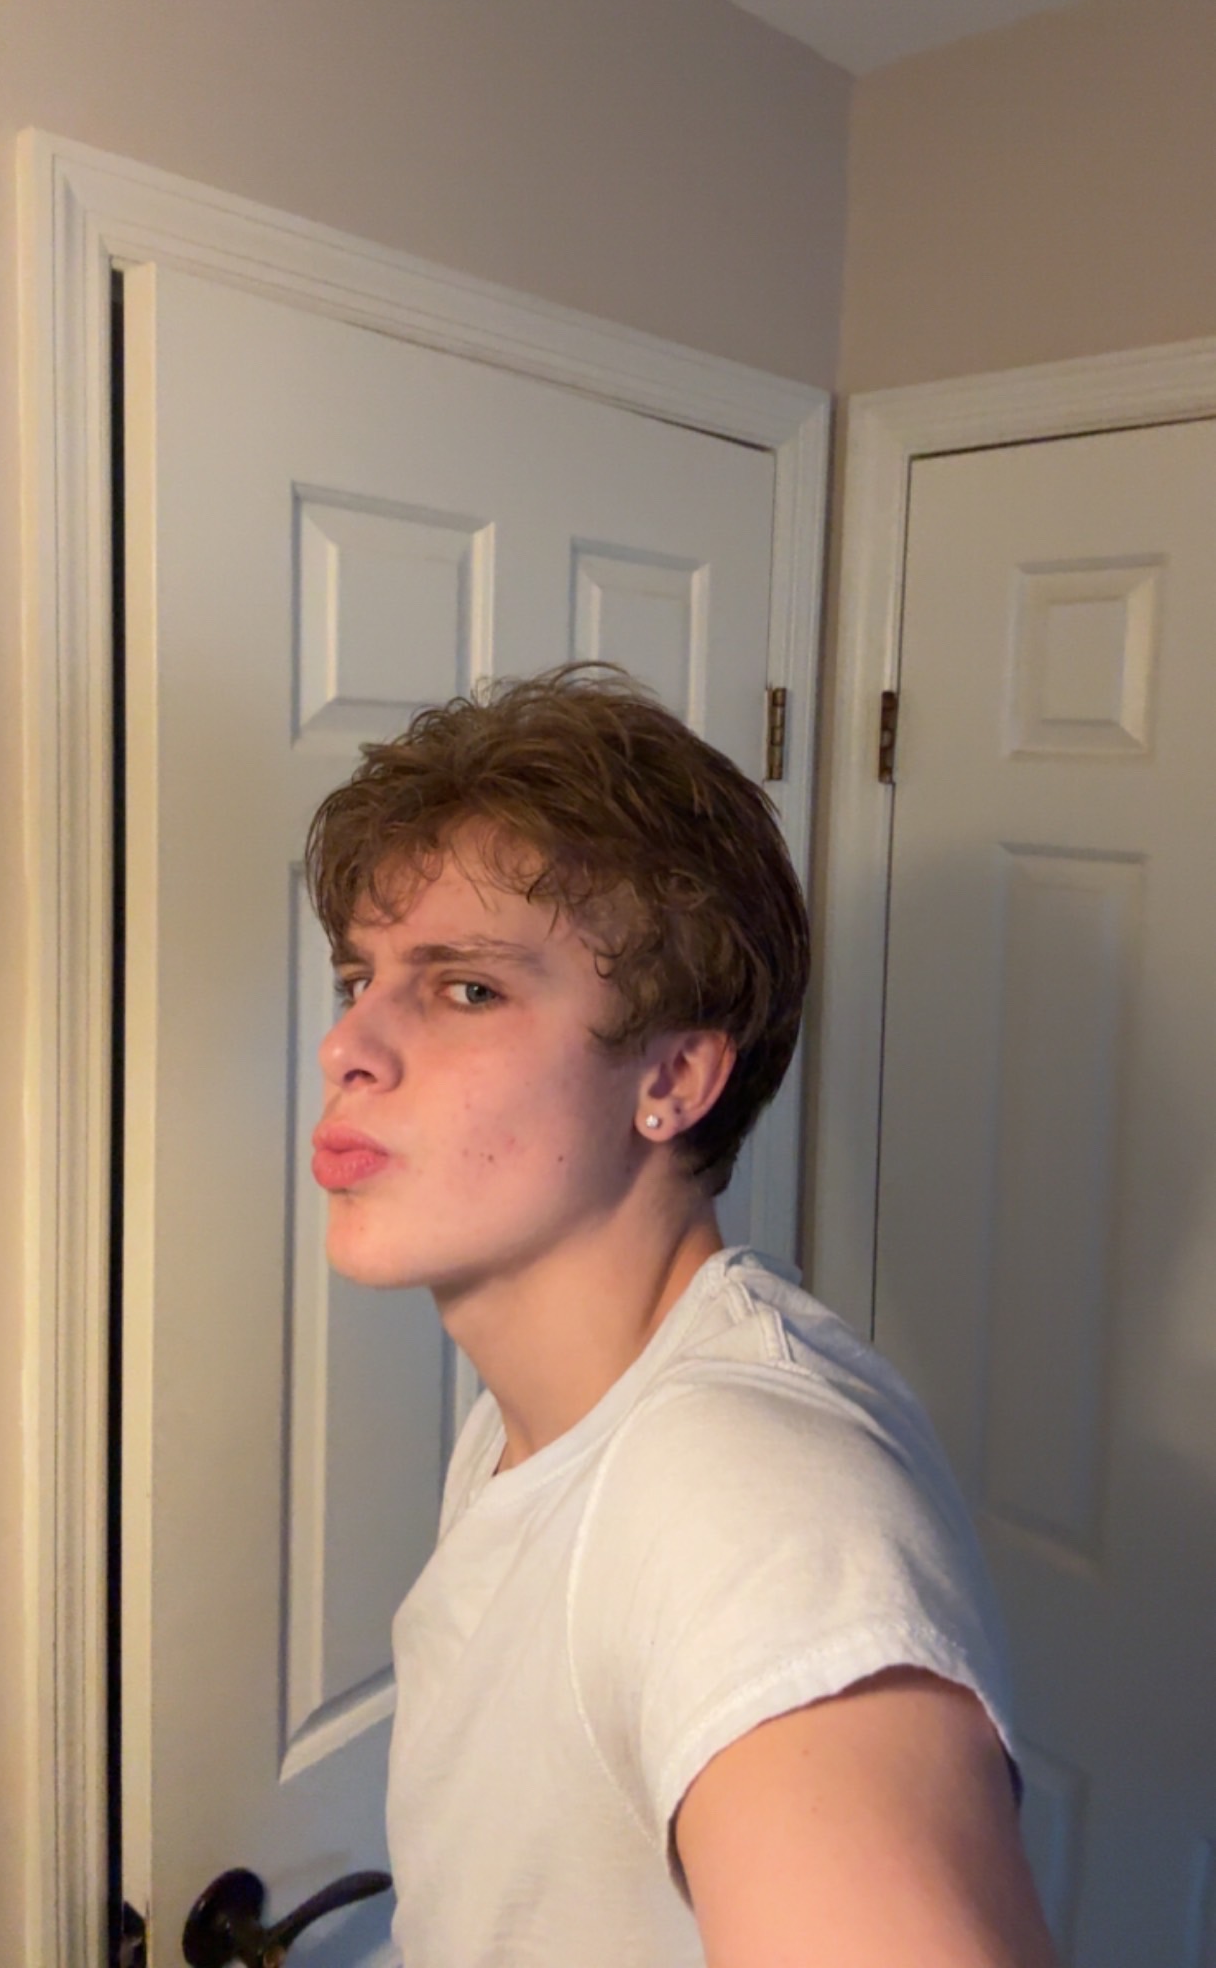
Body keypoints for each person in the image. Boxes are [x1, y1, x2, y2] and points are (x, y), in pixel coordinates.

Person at [305, 665, 1057, 1968]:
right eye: (357, 978)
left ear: (674, 1077)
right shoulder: (538, 1418)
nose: (347, 1047)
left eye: (466, 988)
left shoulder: (749, 1505)